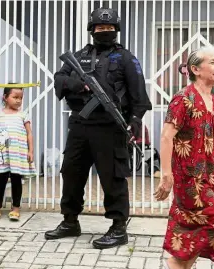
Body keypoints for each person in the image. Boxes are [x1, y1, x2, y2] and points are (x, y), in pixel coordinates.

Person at [45, 7, 152, 249]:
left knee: (112, 177)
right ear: (92, 30)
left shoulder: (126, 58)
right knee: (71, 172)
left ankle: (118, 227)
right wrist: (79, 84)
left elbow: (140, 97)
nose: (105, 31)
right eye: (100, 28)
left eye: (109, 28)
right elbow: (59, 79)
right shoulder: (80, 56)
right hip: (80, 126)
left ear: (116, 31)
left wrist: (134, 121)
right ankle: (70, 221)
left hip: (110, 127)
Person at [154, 47, 214, 269]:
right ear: (195, 69)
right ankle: (176, 264)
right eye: (212, 62)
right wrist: (166, 174)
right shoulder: (183, 99)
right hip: (189, 179)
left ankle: (177, 266)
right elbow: (166, 137)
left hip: (212, 178)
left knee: (191, 229)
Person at [0, 86, 35, 221]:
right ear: (5, 97)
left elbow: (29, 133)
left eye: (20, 98)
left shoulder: (23, 114)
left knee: (16, 181)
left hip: (18, 154)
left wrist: (31, 151)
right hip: (2, 153)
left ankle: (15, 209)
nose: (19, 101)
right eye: (15, 97)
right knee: (0, 181)